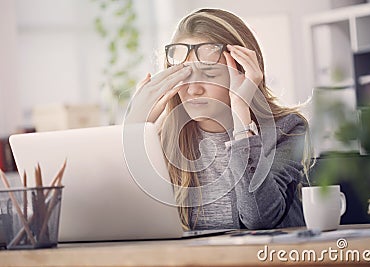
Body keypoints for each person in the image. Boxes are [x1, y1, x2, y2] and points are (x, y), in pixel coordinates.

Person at [125, 8, 312, 231]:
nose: (193, 89)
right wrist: (135, 130)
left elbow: (259, 219)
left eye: (210, 74)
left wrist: (241, 111)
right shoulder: (161, 136)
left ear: (243, 74)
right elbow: (125, 219)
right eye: (184, 75)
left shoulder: (287, 129)